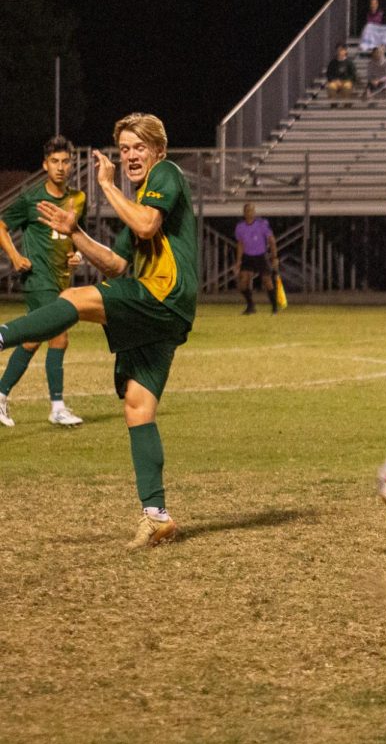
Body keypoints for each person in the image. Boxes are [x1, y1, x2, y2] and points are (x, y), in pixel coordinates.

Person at [1, 113, 198, 548]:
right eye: (124, 148)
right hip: (167, 313)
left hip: (163, 296)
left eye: (138, 147)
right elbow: (117, 263)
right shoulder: (143, 199)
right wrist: (75, 234)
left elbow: (147, 226)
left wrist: (107, 186)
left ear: (158, 151)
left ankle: (1, 335)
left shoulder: (167, 174)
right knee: (137, 406)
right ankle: (156, 515)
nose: (129, 155)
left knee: (73, 300)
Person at [0, 136, 85, 428]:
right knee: (59, 335)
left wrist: (75, 256)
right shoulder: (32, 199)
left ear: (72, 165)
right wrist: (14, 256)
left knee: (31, 340)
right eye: (54, 162)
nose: (60, 167)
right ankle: (57, 407)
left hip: (61, 279)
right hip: (38, 278)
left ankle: (0, 395)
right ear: (45, 165)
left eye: (65, 161)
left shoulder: (78, 199)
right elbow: (1, 225)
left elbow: (70, 237)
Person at [234, 203, 278, 315]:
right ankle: (250, 306)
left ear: (254, 212)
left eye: (251, 210)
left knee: (267, 281)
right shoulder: (240, 227)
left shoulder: (262, 224)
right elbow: (240, 244)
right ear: (244, 213)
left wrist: (274, 257)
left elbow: (271, 241)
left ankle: (274, 307)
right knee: (243, 283)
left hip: (260, 255)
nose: (250, 213)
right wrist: (238, 261)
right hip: (248, 256)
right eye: (247, 211)